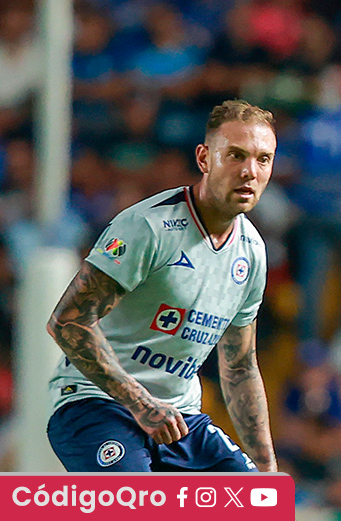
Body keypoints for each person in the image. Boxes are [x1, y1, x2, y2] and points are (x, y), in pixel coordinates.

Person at [45, 100, 277, 472]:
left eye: (263, 159)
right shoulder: (148, 227)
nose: (250, 171)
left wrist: (267, 468)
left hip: (180, 418)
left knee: (260, 505)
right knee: (139, 506)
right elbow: (67, 322)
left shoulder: (252, 253)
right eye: (235, 155)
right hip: (95, 405)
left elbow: (240, 366)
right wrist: (140, 403)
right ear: (204, 158)